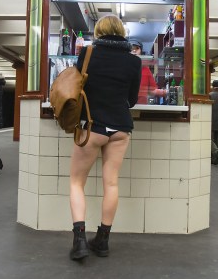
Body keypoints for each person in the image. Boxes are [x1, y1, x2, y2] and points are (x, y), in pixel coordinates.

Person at [68, 15, 140, 261]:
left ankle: (79, 242)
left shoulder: (88, 53)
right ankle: (102, 241)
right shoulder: (133, 61)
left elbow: (77, 89)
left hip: (92, 126)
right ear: (122, 32)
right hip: (120, 128)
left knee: (77, 182)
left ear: (98, 31)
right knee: (111, 184)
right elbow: (131, 100)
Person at [129, 39, 156, 104]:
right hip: (126, 106)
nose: (134, 50)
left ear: (141, 51)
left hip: (142, 105)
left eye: (137, 48)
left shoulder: (146, 69)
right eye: (131, 48)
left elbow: (152, 91)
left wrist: (165, 92)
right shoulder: (123, 67)